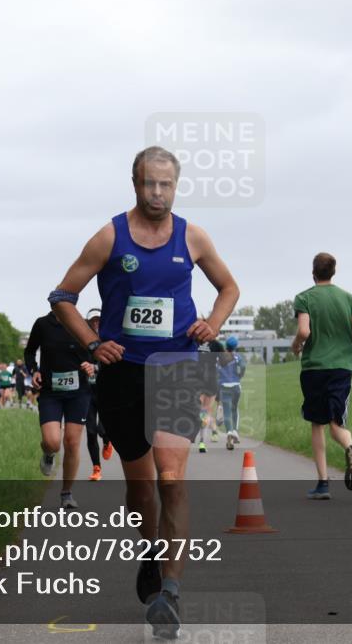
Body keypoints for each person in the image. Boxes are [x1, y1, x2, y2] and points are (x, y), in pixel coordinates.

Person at [49, 146, 239, 639]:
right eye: (149, 184)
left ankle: (170, 593)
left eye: (166, 185)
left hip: (177, 364)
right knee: (139, 486)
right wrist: (92, 343)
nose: (158, 193)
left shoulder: (192, 236)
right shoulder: (109, 236)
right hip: (123, 372)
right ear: (134, 183)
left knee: (172, 477)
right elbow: (62, 297)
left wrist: (210, 325)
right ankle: (151, 555)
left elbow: (229, 288)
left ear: (177, 186)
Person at [291, 252, 352, 500]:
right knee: (337, 424)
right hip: (342, 366)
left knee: (317, 424)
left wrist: (296, 345)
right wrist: (348, 344)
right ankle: (349, 446)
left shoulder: (305, 297)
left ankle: (323, 484)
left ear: (313, 273)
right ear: (333, 272)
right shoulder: (347, 297)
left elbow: (304, 330)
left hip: (314, 368)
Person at [25, 311, 94, 509]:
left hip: (79, 392)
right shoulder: (42, 324)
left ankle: (66, 493)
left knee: (72, 442)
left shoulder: (82, 324)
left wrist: (92, 364)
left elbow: (96, 351)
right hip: (51, 392)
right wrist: (34, 370)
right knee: (52, 442)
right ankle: (48, 454)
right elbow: (30, 351)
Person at [83, 308, 112, 480]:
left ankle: (108, 440)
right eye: (93, 321)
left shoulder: (109, 340)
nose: (96, 324)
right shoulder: (82, 341)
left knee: (103, 429)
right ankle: (96, 468)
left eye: (99, 321)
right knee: (90, 430)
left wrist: (96, 367)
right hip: (87, 392)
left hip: (106, 390)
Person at [218, 335, 246, 450]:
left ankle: (229, 431)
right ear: (235, 346)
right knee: (235, 409)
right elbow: (243, 366)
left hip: (224, 386)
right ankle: (235, 431)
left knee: (227, 411)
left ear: (226, 345)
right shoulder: (238, 357)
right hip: (236, 386)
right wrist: (240, 375)